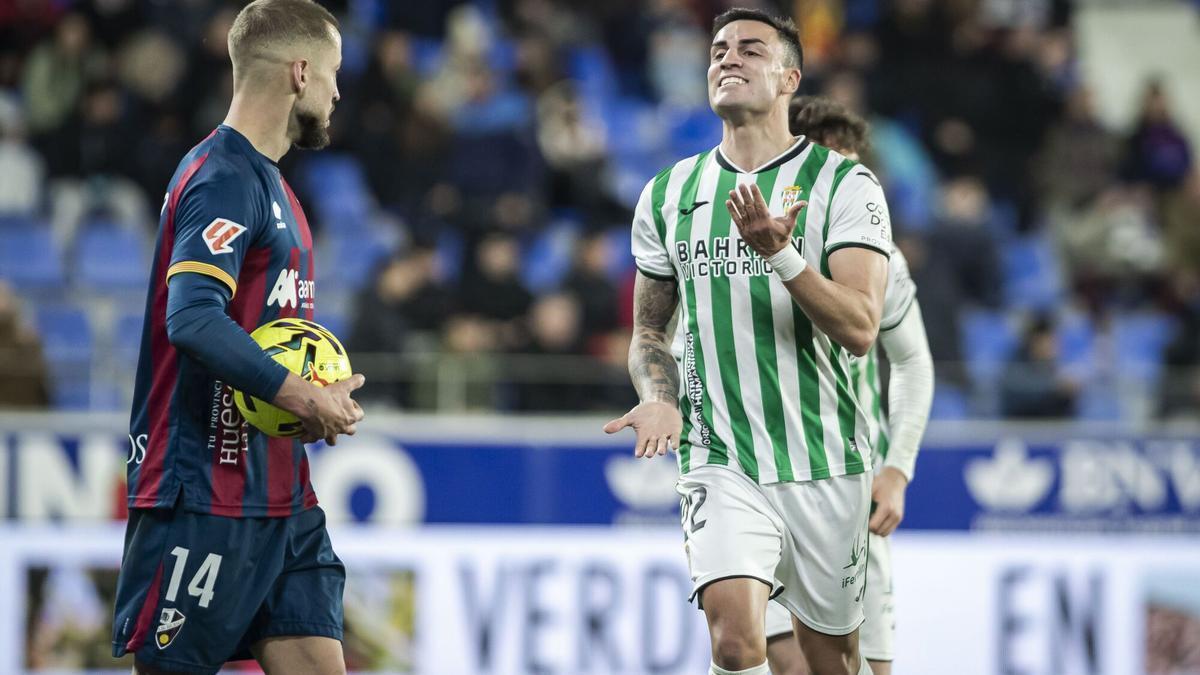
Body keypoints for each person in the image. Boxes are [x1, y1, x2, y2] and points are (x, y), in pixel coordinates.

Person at [605, 9, 892, 675]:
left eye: (751, 50)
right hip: (719, 453)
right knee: (735, 643)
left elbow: (860, 328)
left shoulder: (844, 184)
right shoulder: (668, 193)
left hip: (824, 456)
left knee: (833, 661)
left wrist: (781, 257)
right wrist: (658, 396)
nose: (727, 58)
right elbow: (649, 330)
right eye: (718, 50)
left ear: (790, 78)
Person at [111, 2, 364, 673]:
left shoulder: (272, 185)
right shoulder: (221, 178)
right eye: (333, 73)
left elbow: (266, 334)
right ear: (301, 72)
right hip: (203, 492)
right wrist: (303, 396)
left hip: (281, 494)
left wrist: (310, 398)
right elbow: (192, 318)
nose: (338, 91)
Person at [763, 96, 935, 675]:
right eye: (832, 168)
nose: (851, 188)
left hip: (851, 487)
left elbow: (912, 363)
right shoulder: (736, 249)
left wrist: (898, 469)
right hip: (763, 483)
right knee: (793, 666)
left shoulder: (882, 260)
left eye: (857, 171)